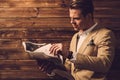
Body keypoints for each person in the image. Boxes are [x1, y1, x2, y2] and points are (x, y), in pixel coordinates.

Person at [28, 0, 116, 80]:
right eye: (70, 18)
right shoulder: (75, 37)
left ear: (89, 16)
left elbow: (104, 64)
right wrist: (52, 70)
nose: (71, 22)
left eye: (76, 18)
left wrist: (69, 54)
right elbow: (69, 69)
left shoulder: (105, 34)